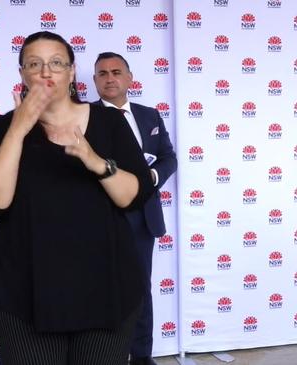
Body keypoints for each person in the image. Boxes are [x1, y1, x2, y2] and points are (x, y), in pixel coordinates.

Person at [0, 31, 154, 364]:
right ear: (22, 74)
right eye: (34, 63)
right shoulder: (0, 128)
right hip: (22, 299)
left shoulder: (109, 122)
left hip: (106, 293)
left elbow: (134, 197)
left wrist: (95, 161)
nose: (45, 72)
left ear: (71, 72)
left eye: (56, 62)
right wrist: (19, 128)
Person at [93, 52, 177, 365]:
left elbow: (169, 157)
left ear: (130, 78)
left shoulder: (150, 115)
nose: (109, 78)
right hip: (100, 219)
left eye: (116, 72)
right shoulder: (83, 116)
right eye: (102, 73)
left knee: (141, 289)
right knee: (100, 291)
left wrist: (152, 177)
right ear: (95, 81)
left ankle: (142, 357)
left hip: (143, 219)